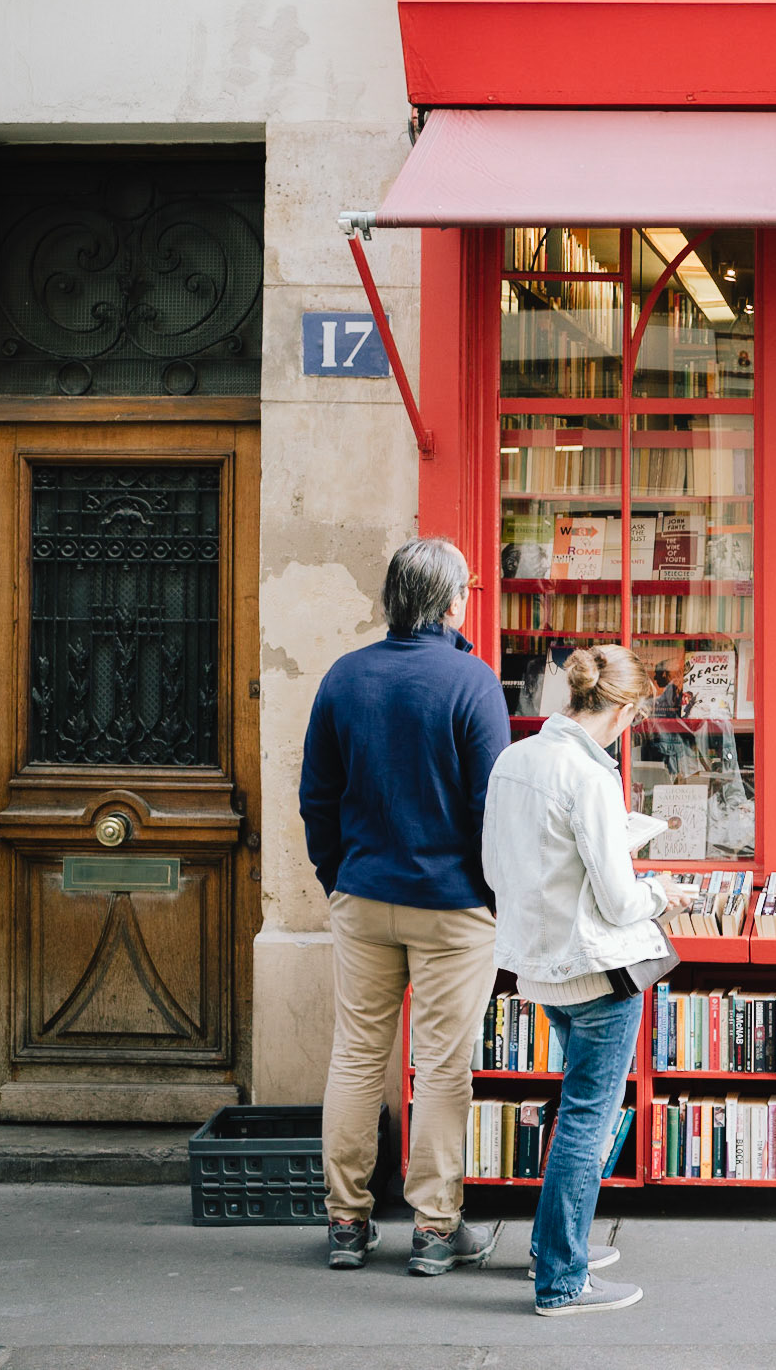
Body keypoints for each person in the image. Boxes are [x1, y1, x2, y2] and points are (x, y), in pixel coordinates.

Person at [299, 536, 510, 1276]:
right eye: (466, 593)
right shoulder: (471, 681)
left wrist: (339, 878)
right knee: (442, 1065)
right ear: (451, 602)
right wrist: (488, 895)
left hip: (364, 895)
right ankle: (431, 1228)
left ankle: (347, 1224)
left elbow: (316, 800)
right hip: (452, 904)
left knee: (357, 1057)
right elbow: (493, 809)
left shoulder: (343, 678)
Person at [483, 645, 694, 1317]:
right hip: (599, 971)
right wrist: (666, 894)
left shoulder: (516, 759)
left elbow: (504, 863)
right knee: (587, 1119)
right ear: (627, 710)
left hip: (542, 964)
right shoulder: (591, 776)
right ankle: (563, 1280)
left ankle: (556, 1248)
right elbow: (617, 900)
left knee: (574, 1111)